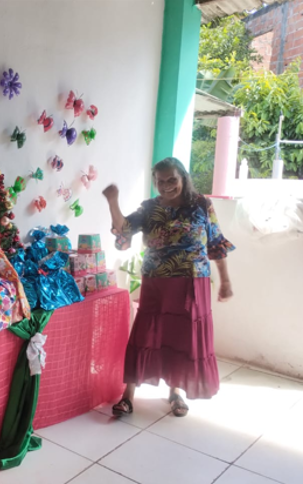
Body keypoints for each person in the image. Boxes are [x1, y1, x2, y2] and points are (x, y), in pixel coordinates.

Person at [102, 157, 235, 417]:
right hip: (157, 281)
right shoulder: (150, 208)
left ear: (183, 177)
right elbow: (124, 231)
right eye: (160, 181)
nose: (166, 186)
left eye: (172, 179)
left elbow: (215, 243)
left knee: (182, 336)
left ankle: (176, 392)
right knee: (144, 334)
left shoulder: (201, 204)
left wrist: (226, 281)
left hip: (193, 282)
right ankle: (128, 396)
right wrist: (113, 201)